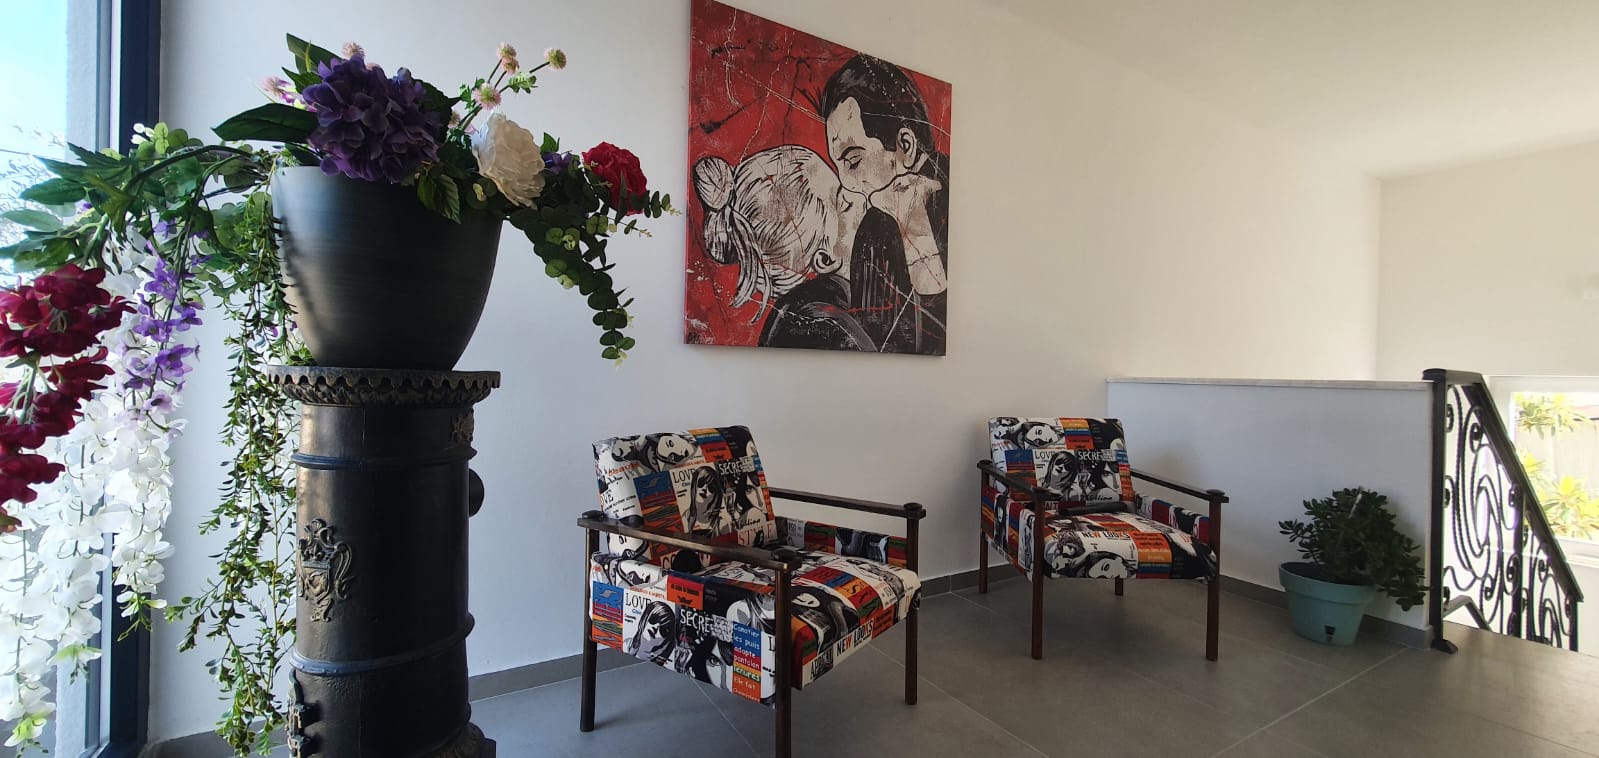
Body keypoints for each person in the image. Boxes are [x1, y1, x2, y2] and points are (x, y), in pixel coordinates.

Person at [820, 54, 950, 355]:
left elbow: (872, 348)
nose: (846, 183)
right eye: (838, 165)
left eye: (853, 160)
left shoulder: (876, 230)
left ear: (905, 146)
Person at [693, 147, 872, 350]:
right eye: (845, 204)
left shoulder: (795, 318)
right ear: (825, 259)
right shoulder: (832, 330)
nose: (860, 199)